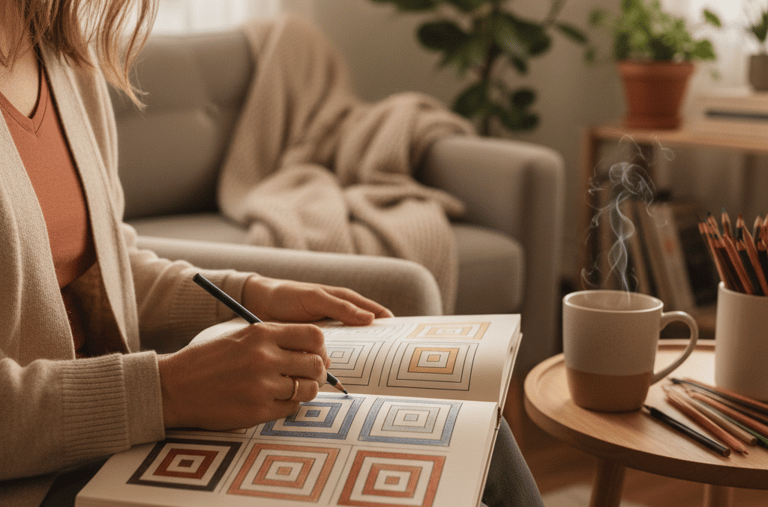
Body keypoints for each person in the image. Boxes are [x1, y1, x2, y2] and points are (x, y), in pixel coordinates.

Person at [0, 1, 543, 506]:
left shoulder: (60, 53)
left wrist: (253, 293)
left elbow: (105, 265)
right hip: (42, 473)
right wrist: (166, 390)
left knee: (473, 439)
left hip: (120, 431)